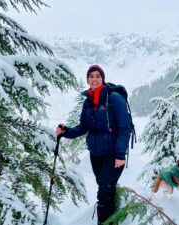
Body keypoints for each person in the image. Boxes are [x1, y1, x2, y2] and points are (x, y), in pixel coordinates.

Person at [55, 65, 131, 225]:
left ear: (102, 78)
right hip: (96, 154)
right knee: (105, 188)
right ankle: (113, 216)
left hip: (113, 154)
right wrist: (66, 132)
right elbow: (83, 127)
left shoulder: (114, 98)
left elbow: (125, 128)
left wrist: (120, 154)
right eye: (91, 76)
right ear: (88, 80)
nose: (94, 79)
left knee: (104, 190)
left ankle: (105, 222)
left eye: (97, 76)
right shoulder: (88, 102)